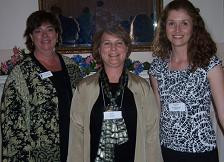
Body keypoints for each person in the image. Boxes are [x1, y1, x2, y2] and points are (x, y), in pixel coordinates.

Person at [67, 25, 163, 162]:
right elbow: (76, 137)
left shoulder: (142, 87)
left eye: (119, 43)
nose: (113, 48)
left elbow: (152, 135)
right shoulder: (84, 88)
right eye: (107, 43)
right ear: (99, 49)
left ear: (127, 48)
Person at [0, 10, 81, 161]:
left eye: (50, 29)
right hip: (38, 155)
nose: (45, 35)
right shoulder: (21, 73)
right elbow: (11, 125)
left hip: (73, 150)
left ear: (57, 34)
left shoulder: (72, 67)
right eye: (38, 31)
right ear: (31, 36)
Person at [148, 0, 224, 162]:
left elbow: (223, 114)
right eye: (171, 23)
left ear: (194, 27)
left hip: (202, 151)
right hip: (167, 150)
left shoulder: (210, 64)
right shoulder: (157, 67)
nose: (177, 30)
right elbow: (157, 114)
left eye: (184, 23)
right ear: (164, 28)